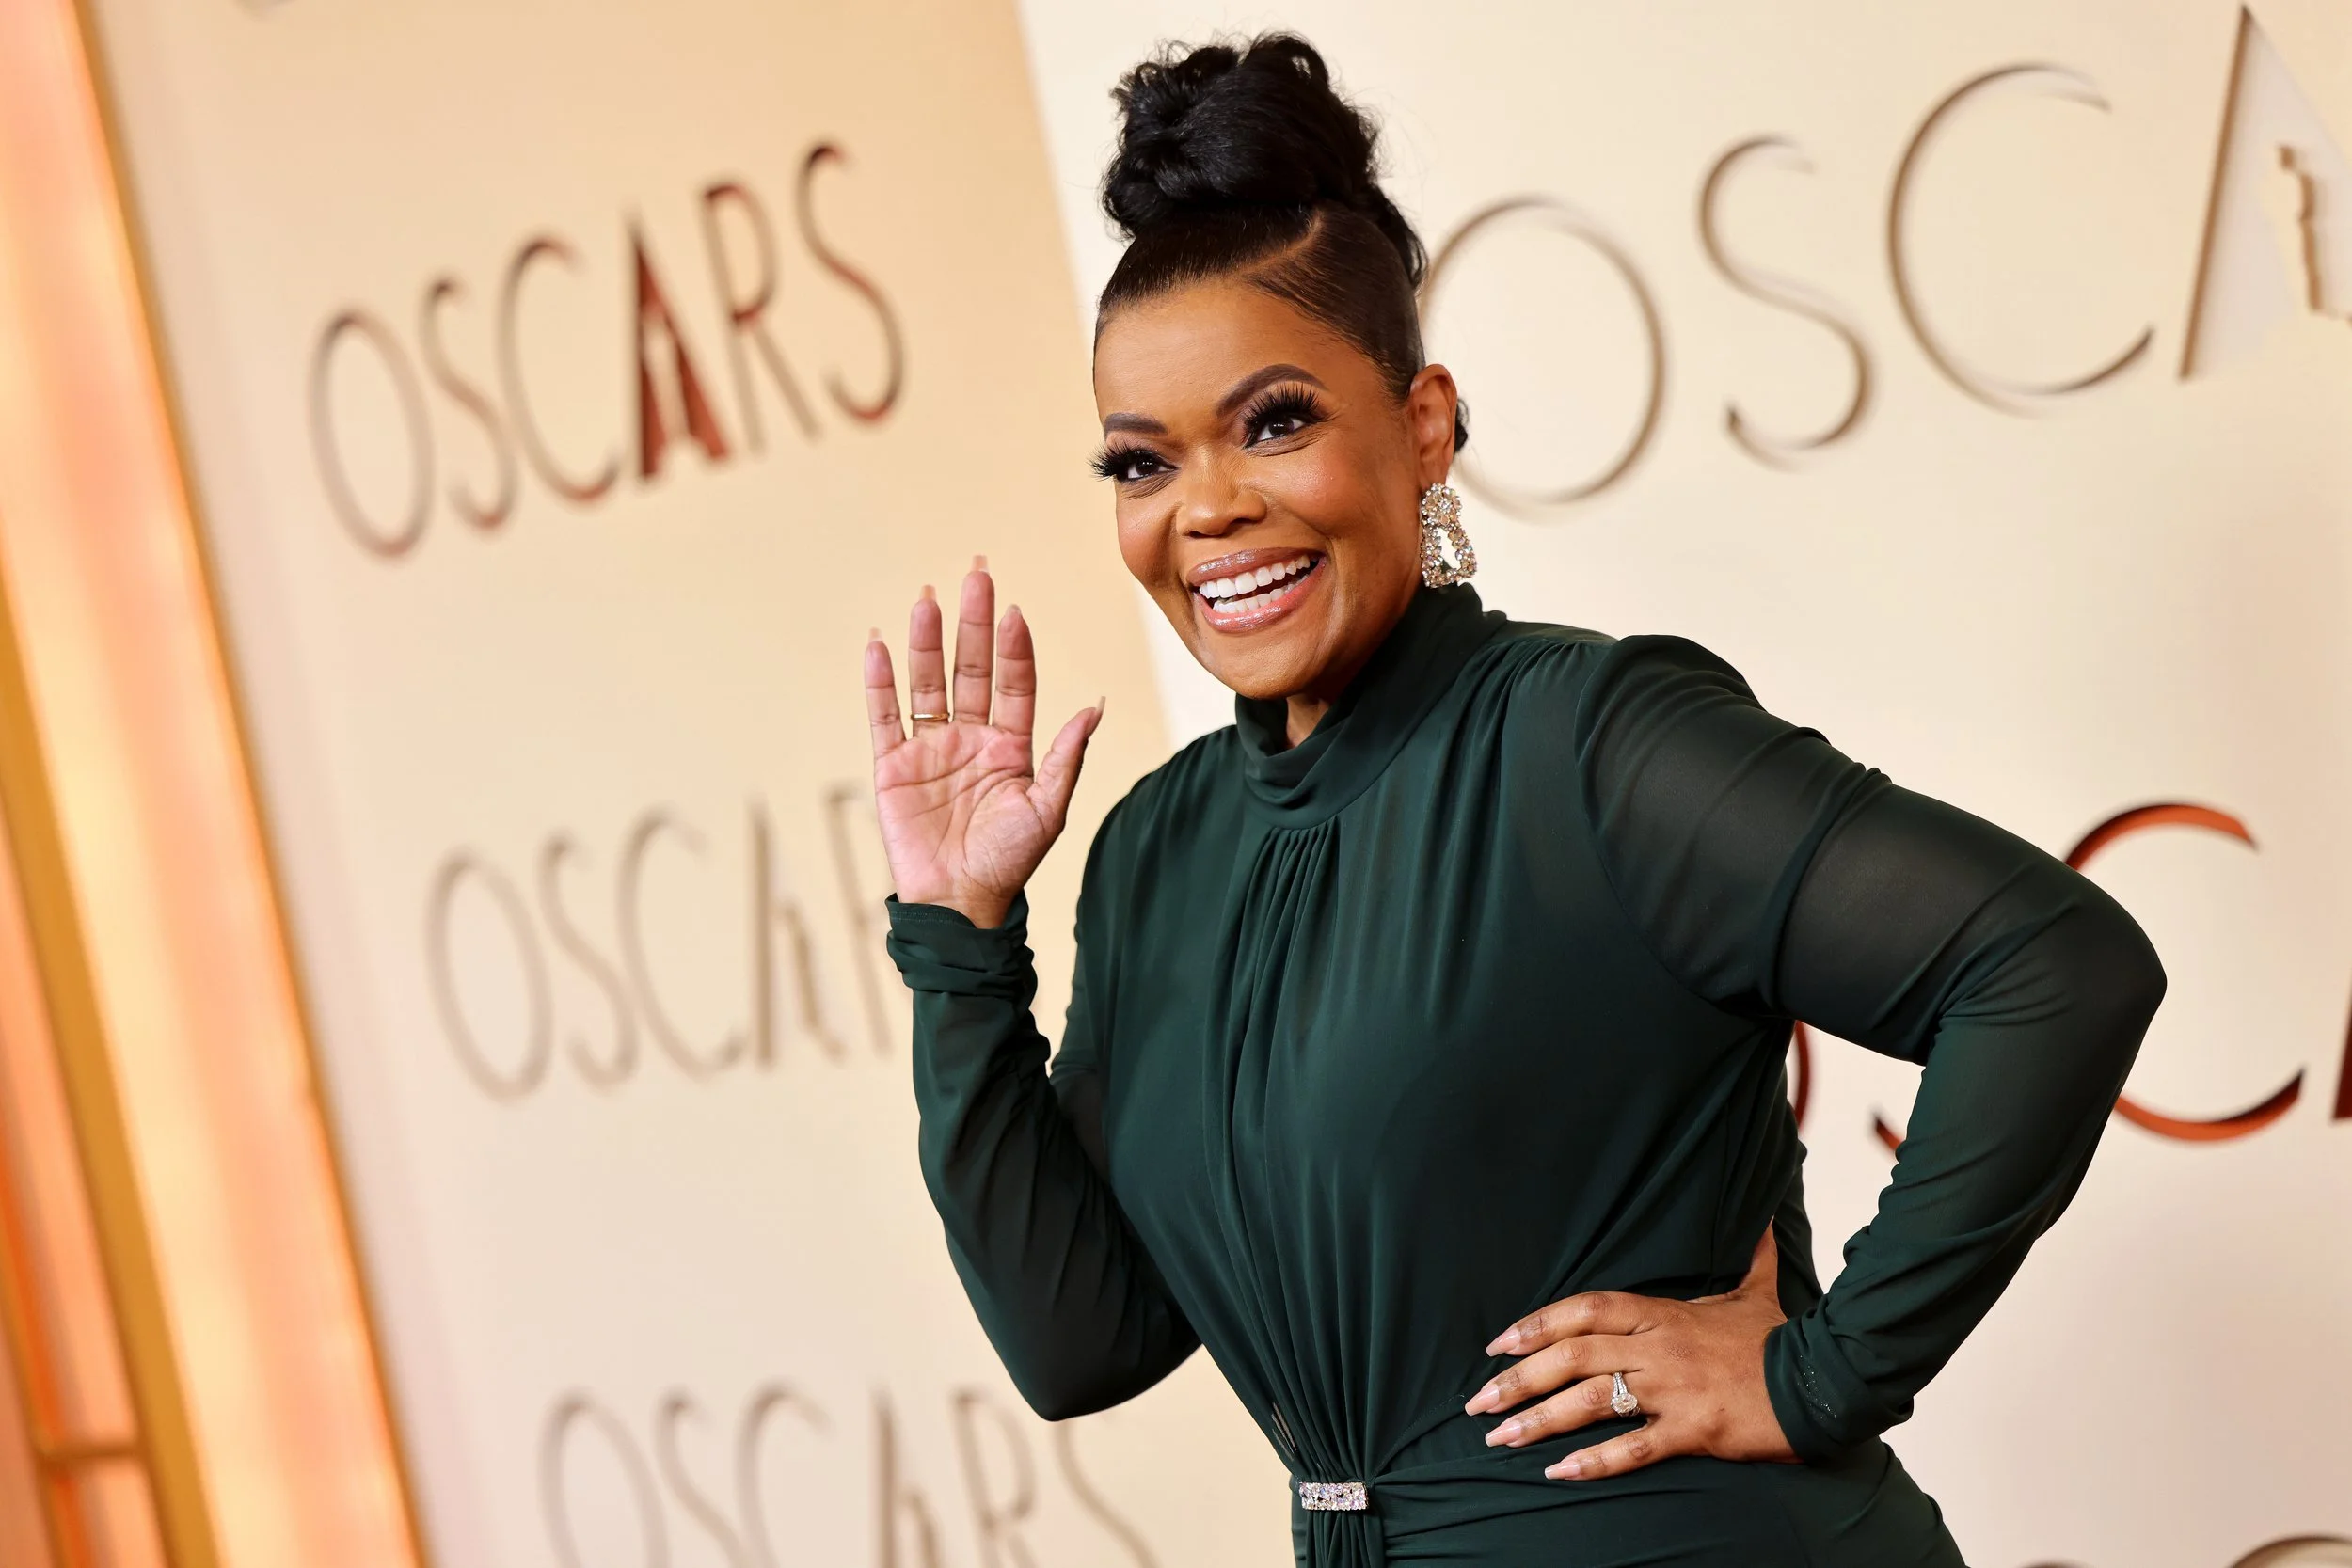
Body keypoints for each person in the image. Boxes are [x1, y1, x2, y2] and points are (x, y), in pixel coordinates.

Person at [860, 34, 2164, 1567]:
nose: (1207, 507)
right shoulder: (1157, 852)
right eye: (1143, 463)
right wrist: (959, 941)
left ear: (1421, 423)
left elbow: (2053, 964)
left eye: (1274, 420)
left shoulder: (1588, 743)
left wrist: (1821, 1375)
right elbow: (1082, 1341)